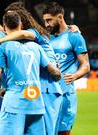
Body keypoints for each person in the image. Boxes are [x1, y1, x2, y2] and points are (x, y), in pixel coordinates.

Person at [0, 3, 64, 135]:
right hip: (40, 89)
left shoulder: (32, 33)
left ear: (21, 20)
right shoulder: (29, 40)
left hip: (48, 87)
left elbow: (20, 33)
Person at [42, 2, 90, 135]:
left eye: (49, 20)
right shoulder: (45, 38)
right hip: (47, 94)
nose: (46, 24)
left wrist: (74, 76)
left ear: (60, 17)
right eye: (45, 21)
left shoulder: (74, 36)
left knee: (63, 133)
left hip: (66, 95)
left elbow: (85, 65)